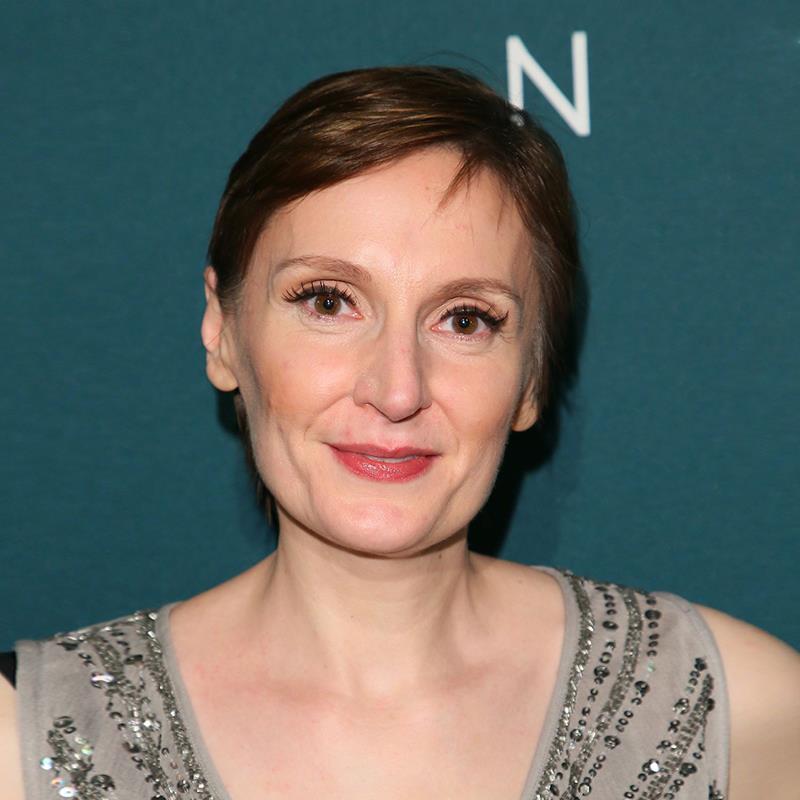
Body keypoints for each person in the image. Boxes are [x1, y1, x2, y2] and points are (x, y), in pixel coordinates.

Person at [1, 65, 797, 800]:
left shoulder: (745, 720)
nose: (397, 390)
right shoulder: (22, 744)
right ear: (223, 332)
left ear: (532, 376)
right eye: (327, 302)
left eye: (465, 319)